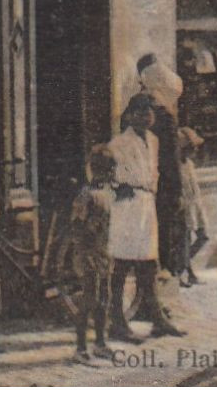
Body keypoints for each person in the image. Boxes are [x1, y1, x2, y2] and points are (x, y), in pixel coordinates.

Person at [108, 94, 184, 340]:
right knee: (122, 263)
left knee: (149, 264)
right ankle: (117, 322)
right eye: (139, 112)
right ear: (129, 116)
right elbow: (104, 172)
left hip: (146, 204)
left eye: (148, 112)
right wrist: (118, 186)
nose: (145, 116)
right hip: (127, 206)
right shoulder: (119, 143)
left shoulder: (153, 140)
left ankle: (157, 319)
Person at [135, 54, 188, 281]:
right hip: (162, 185)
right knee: (164, 234)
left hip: (137, 184)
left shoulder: (133, 108)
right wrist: (177, 191)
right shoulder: (165, 116)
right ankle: (158, 297)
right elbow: (172, 160)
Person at [69, 145, 117, 364]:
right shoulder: (86, 195)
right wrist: (89, 228)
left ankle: (100, 343)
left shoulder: (108, 193)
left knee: (104, 299)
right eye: (106, 169)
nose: (109, 174)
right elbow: (77, 226)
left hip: (104, 254)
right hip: (89, 254)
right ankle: (80, 348)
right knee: (90, 298)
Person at [176, 127, 209, 286]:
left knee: (203, 236)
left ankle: (180, 268)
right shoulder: (175, 166)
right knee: (185, 239)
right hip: (185, 207)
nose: (195, 150)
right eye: (191, 147)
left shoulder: (189, 164)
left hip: (195, 205)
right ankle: (186, 272)